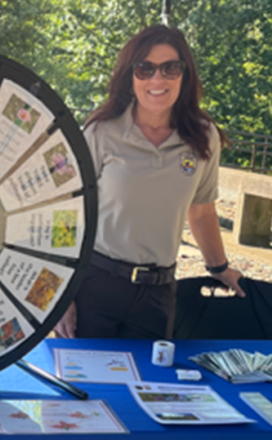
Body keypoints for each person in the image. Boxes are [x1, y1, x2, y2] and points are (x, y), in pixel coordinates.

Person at [55, 24, 243, 340]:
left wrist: (219, 268)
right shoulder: (101, 132)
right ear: (130, 77)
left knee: (150, 374)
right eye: (145, 68)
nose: (157, 79)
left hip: (158, 294)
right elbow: (65, 212)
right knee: (88, 373)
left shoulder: (203, 136)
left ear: (185, 75)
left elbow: (201, 211)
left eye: (170, 68)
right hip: (95, 286)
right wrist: (60, 292)